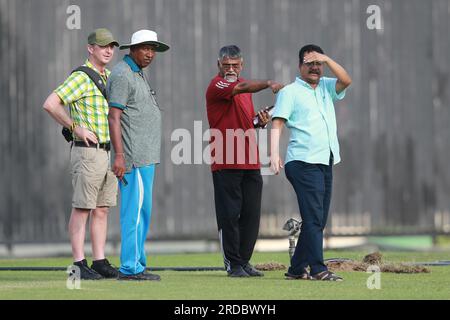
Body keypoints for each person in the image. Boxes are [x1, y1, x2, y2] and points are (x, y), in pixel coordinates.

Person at [43, 28, 120, 280]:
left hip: (106, 152)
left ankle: (99, 261)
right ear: (91, 48)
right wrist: (76, 127)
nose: (108, 50)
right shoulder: (81, 76)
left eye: (111, 46)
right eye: (102, 46)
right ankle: (78, 265)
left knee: (102, 209)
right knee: (82, 208)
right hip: (87, 153)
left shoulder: (109, 76)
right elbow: (50, 103)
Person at [270, 44, 352, 281]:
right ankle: (318, 269)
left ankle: (296, 269)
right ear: (300, 66)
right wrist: (274, 154)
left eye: (318, 64)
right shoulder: (290, 92)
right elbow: (277, 123)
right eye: (310, 63)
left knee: (317, 218)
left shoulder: (326, 85)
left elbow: (346, 80)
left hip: (325, 160)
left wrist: (326, 58)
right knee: (315, 217)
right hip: (303, 162)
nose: (315, 68)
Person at [206, 45, 284, 277]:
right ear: (219, 65)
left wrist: (259, 122)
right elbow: (240, 87)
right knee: (229, 214)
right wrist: (269, 83)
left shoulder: (245, 91)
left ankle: (244, 260)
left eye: (235, 65)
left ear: (242, 65)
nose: (231, 68)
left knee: (251, 214)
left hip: (250, 160)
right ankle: (233, 263)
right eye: (226, 65)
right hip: (226, 159)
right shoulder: (218, 85)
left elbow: (245, 122)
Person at [107, 29, 169, 281]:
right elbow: (114, 116)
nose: (150, 53)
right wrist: (120, 156)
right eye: (145, 48)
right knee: (132, 213)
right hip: (133, 158)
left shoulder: (137, 73)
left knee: (143, 212)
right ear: (132, 49)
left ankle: (138, 264)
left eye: (153, 49)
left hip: (146, 157)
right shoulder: (123, 74)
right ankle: (129, 268)